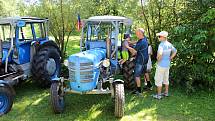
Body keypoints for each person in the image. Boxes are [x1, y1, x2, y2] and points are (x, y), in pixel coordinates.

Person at [153, 31, 177, 99]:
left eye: (159, 36)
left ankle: (159, 95)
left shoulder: (161, 45)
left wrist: (158, 59)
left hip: (161, 65)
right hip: (167, 64)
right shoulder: (169, 44)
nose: (158, 38)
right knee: (166, 78)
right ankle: (166, 93)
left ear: (163, 37)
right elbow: (175, 51)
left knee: (158, 79)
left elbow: (160, 54)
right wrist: (170, 58)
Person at [129, 28, 149, 95]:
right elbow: (137, 42)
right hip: (145, 59)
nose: (136, 34)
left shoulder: (141, 42)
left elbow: (134, 52)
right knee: (145, 71)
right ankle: (149, 85)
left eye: (137, 33)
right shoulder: (144, 39)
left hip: (140, 60)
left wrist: (127, 46)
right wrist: (131, 42)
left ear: (140, 34)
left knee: (137, 75)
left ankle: (139, 90)